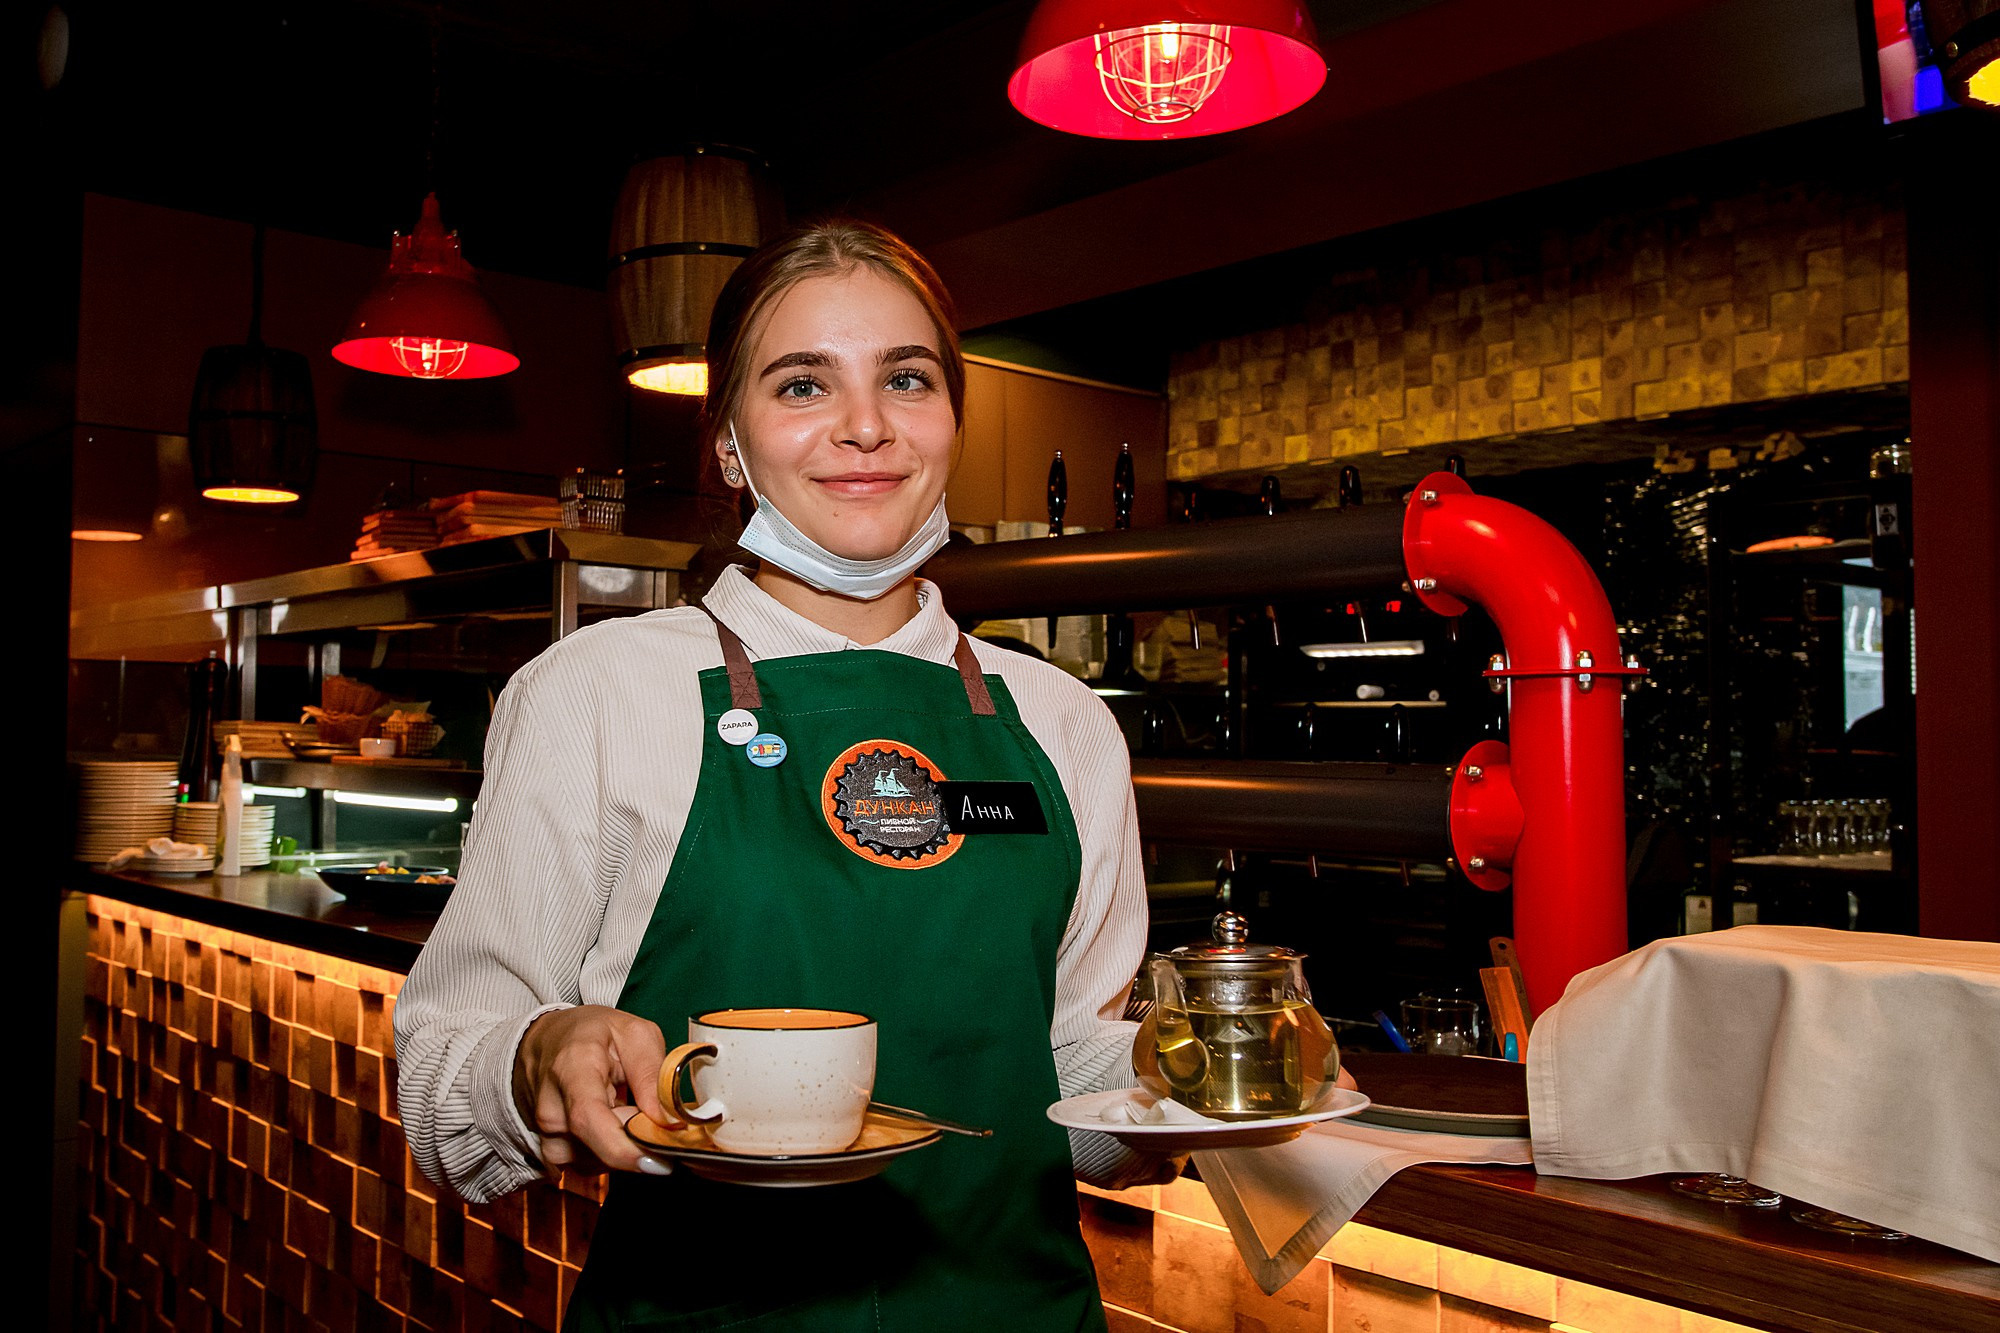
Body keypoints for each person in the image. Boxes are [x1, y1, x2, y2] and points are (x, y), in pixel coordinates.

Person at [394, 219, 1155, 1332]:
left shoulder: (1064, 721)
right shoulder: (597, 692)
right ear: (727, 444)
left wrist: (1189, 1085)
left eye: (906, 378)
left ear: (951, 419)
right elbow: (439, 1097)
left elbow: (1068, 1087)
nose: (864, 425)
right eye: (803, 384)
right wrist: (534, 1055)